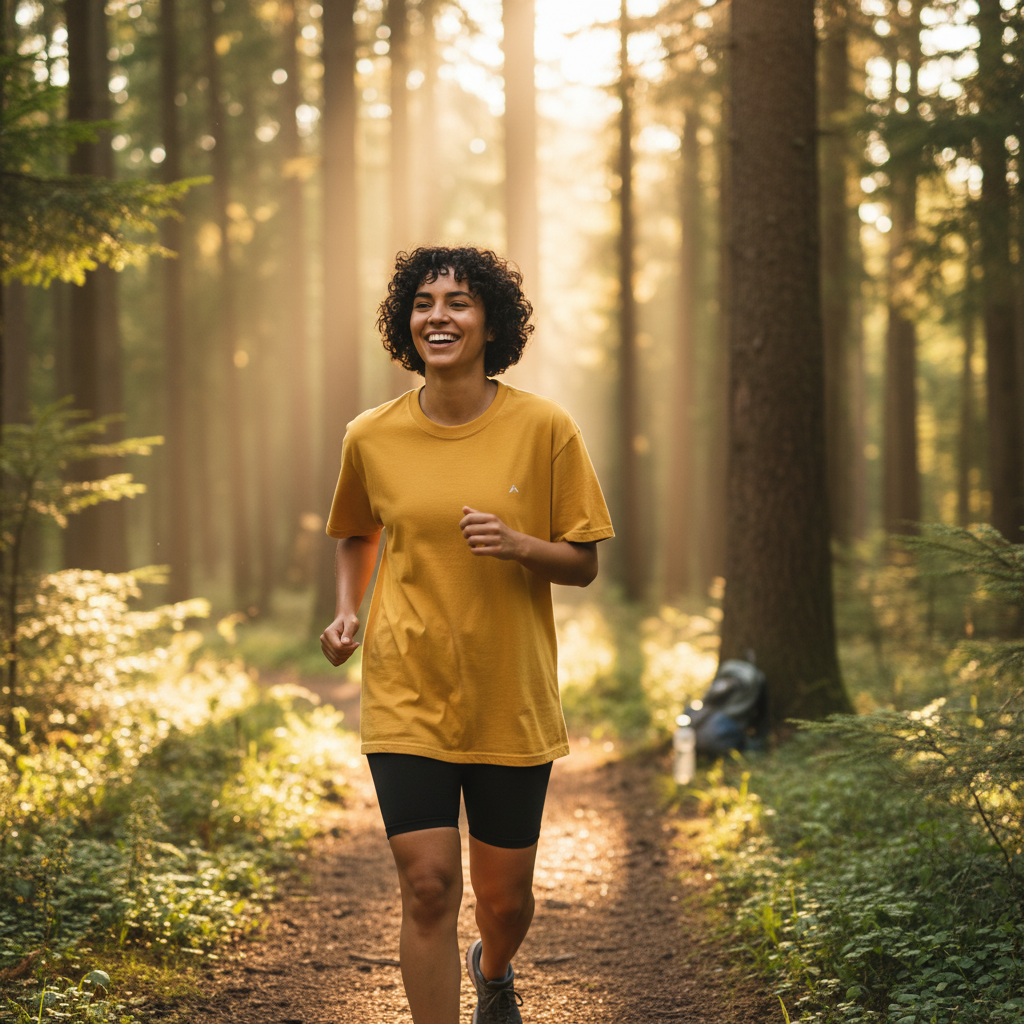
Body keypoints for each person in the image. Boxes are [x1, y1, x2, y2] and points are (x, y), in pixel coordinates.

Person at [320, 246, 614, 1024]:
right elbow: (356, 532)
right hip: (406, 685)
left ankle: (496, 965)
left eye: (458, 303)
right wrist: (349, 608)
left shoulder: (545, 428)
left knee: (505, 900)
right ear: (405, 322)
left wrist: (522, 546)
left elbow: (583, 563)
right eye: (423, 303)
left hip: (506, 691)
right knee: (426, 888)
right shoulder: (371, 436)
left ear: (491, 323)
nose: (438, 317)